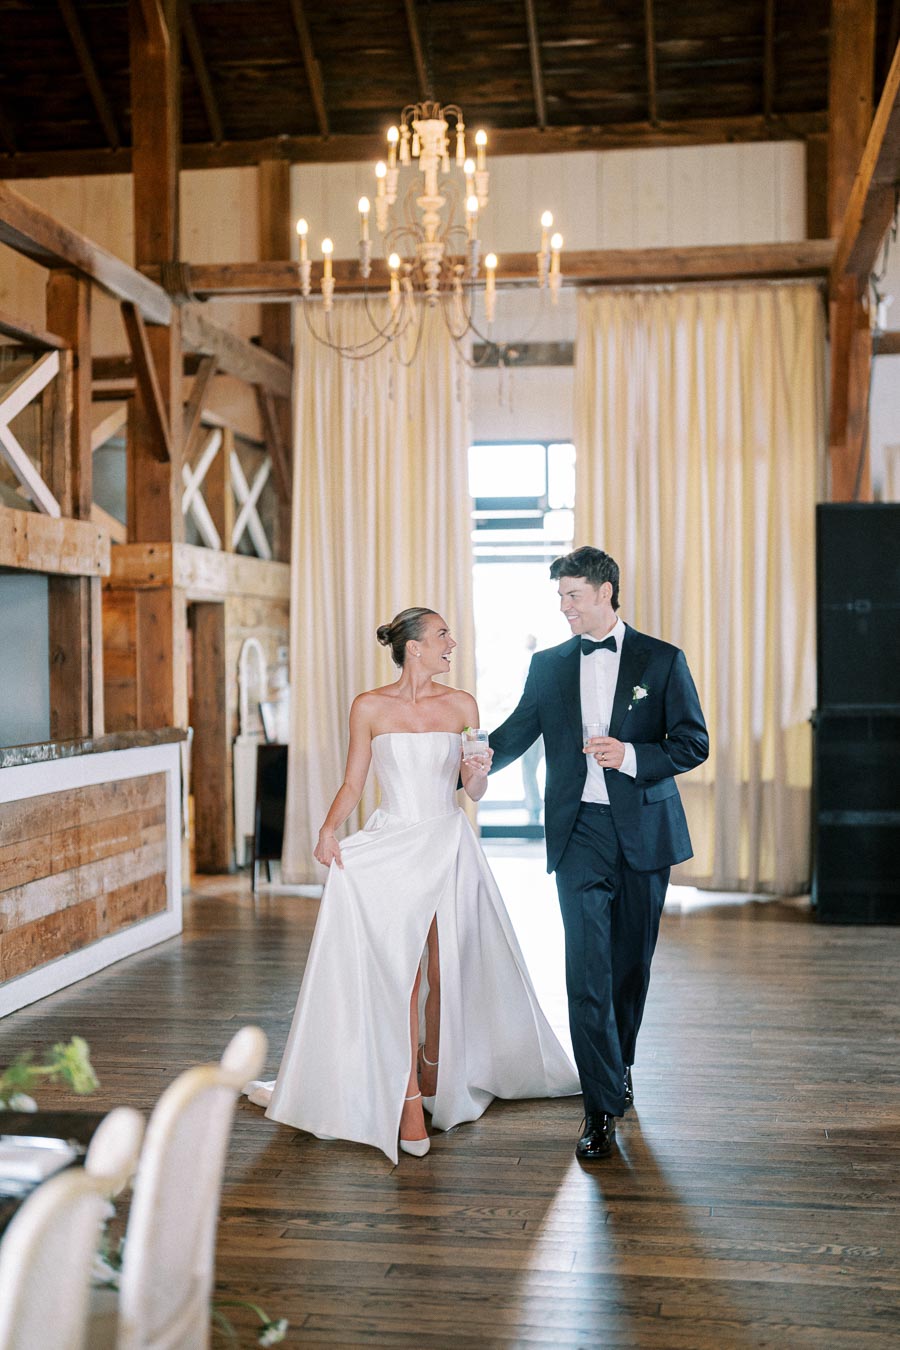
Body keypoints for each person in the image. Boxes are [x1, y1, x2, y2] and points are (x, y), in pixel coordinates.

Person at [246, 607, 578, 1162]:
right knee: (404, 971)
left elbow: (472, 791)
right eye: (442, 634)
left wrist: (477, 770)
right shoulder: (369, 706)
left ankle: (433, 1072)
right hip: (393, 847)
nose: (452, 642)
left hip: (448, 843)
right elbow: (355, 782)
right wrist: (328, 829)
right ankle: (404, 1099)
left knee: (447, 968)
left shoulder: (463, 705)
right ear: (415, 648)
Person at [488, 547, 709, 1161]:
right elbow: (512, 735)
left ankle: (620, 1067)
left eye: (573, 596)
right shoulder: (549, 665)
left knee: (628, 968)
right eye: (560, 597)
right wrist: (457, 763)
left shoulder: (662, 660)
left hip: (644, 833)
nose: (564, 608)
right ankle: (599, 1108)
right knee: (585, 969)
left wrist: (631, 757)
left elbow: (694, 742)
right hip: (579, 831)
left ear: (606, 591)